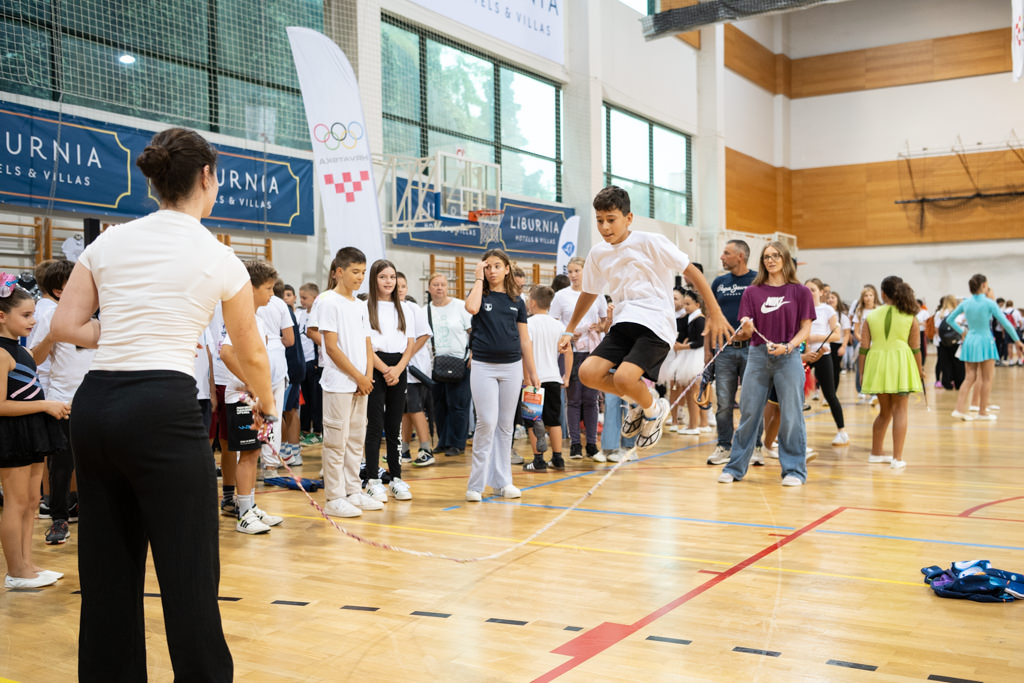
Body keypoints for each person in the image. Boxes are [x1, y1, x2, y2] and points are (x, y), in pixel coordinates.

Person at [51, 127, 276, 680]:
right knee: (188, 570)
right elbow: (250, 351)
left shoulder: (108, 242)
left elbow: (66, 325)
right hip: (162, 410)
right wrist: (267, 404)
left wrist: (125, 330)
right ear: (207, 177)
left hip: (96, 408)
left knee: (107, 570)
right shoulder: (218, 256)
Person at [560, 186, 730, 453]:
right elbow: (590, 292)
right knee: (588, 373)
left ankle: (653, 411)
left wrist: (715, 312)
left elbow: (692, 272)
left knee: (625, 378)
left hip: (655, 323)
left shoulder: (651, 241)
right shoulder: (598, 253)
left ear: (628, 218)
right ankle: (640, 401)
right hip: (624, 323)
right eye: (600, 220)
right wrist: (569, 329)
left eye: (611, 219)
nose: (605, 227)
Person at [717, 241, 814, 487]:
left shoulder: (800, 291)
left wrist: (789, 347)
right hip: (758, 356)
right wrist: (746, 327)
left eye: (776, 255)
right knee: (749, 413)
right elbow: (747, 331)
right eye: (766, 257)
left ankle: (794, 471)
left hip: (788, 356)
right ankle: (734, 468)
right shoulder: (752, 292)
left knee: (792, 415)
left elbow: (806, 328)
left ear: (785, 259)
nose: (771, 260)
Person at [1, 278, 69, 588]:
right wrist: (45, 405)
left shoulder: (20, 350)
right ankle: (15, 571)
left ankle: (27, 564)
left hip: (31, 429)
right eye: (26, 315)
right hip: (13, 432)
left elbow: (33, 366)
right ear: (2, 316)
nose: (33, 321)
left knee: (31, 501)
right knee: (15, 502)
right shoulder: (1, 354)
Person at [29, 260, 95, 545]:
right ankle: (58, 518)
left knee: (96, 462)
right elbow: (34, 359)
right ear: (59, 291)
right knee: (61, 465)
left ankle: (89, 509)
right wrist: (51, 337)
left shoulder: (96, 314)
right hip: (63, 400)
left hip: (96, 399)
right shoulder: (50, 315)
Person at [465, 249, 539, 501]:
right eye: (488, 267)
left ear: (507, 269)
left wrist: (532, 372)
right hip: (483, 366)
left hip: (512, 367)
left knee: (506, 426)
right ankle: (476, 485)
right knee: (486, 422)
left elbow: (525, 339)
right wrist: (478, 279)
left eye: (497, 266)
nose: (492, 271)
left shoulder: (517, 301)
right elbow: (471, 308)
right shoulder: (479, 293)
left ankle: (502, 481)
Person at [219, 261, 287, 534]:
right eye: (268, 288)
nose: (272, 294)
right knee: (247, 455)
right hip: (241, 399)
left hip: (255, 399)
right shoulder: (241, 318)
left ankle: (250, 505)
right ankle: (244, 514)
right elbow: (226, 353)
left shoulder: (257, 318)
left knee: (254, 453)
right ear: (251, 289)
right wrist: (250, 383)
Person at [317, 247, 382, 518]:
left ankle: (353, 490)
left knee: (356, 439)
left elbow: (367, 343)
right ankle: (334, 497)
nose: (360, 277)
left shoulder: (359, 305)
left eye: (363, 272)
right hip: (338, 383)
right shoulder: (327, 301)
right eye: (355, 272)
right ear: (339, 272)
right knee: (336, 441)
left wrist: (367, 376)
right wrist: (357, 376)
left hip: (360, 383)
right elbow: (331, 347)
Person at [362, 259, 416, 501]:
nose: (388, 281)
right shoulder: (365, 307)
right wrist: (385, 369)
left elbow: (410, 344)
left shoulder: (406, 308)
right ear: (374, 279)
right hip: (376, 366)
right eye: (383, 277)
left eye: (392, 277)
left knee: (395, 426)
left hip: (399, 367)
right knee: (375, 425)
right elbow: (366, 345)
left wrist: (398, 369)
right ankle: (373, 479)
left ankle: (396, 478)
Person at [859, 276, 925, 469]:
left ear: (882, 293)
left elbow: (863, 349)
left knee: (885, 412)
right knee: (900, 411)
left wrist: (862, 373)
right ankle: (897, 458)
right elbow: (916, 349)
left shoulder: (870, 316)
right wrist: (920, 371)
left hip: (877, 364)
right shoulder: (910, 317)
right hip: (901, 364)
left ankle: (876, 453)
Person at [706, 239, 760, 466]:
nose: (722, 257)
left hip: (752, 350)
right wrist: (708, 353)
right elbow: (710, 318)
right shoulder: (719, 283)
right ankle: (724, 446)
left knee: (753, 402)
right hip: (724, 351)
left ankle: (755, 447)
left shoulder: (758, 280)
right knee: (724, 403)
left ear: (740, 256)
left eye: (726, 253)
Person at [550, 255, 608, 460]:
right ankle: (575, 444)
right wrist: (567, 331)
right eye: (570, 272)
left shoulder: (597, 294)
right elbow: (553, 322)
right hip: (571, 351)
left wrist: (599, 327)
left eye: (577, 271)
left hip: (592, 351)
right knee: (573, 399)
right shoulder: (561, 296)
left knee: (591, 399)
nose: (573, 275)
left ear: (585, 272)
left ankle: (591, 444)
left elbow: (605, 323)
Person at [947, 274, 1023, 421]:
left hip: (970, 340)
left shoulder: (965, 303)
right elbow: (1006, 323)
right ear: (983, 285)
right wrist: (1017, 341)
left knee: (969, 378)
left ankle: (959, 409)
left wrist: (962, 331)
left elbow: (950, 320)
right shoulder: (989, 303)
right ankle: (982, 412)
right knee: (987, 379)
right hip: (985, 341)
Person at [523, 285, 572, 472]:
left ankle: (538, 461)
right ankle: (558, 459)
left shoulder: (528, 324)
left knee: (532, 420)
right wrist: (567, 376)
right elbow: (569, 352)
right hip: (553, 378)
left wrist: (526, 377)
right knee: (554, 421)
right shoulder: (559, 325)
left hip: (534, 379)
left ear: (533, 302)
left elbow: (525, 352)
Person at [426, 273, 473, 457]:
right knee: (439, 405)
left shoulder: (460, 306)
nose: (439, 288)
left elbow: (473, 331)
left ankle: (457, 443)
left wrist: (473, 353)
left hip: (460, 362)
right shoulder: (425, 310)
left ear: (447, 287)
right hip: (435, 364)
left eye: (443, 284)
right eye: (435, 284)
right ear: (429, 288)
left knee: (458, 404)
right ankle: (443, 442)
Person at [256, 275, 295, 478]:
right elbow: (289, 340)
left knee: (251, 413)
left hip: (256, 357)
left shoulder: (246, 300)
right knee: (274, 416)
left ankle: (246, 459)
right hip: (277, 358)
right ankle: (270, 465)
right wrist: (275, 339)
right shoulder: (280, 304)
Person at [397, 272, 435, 467]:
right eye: (397, 286)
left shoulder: (412, 308)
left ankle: (426, 449)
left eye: (403, 286)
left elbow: (425, 334)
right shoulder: (389, 309)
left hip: (414, 369)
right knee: (404, 411)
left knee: (415, 408)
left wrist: (407, 354)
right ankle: (403, 449)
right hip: (399, 368)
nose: (400, 289)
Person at [803, 279, 847, 446]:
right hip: (805, 355)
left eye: (813, 289)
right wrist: (806, 344)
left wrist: (814, 338)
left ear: (821, 292)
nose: (809, 293)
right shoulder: (801, 308)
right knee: (795, 394)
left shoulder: (827, 309)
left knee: (830, 394)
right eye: (806, 289)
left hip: (823, 354)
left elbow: (836, 335)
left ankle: (842, 432)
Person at [667, 289, 707, 436]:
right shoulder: (691, 318)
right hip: (690, 355)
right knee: (690, 392)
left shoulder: (699, 319)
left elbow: (700, 342)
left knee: (694, 392)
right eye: (684, 304)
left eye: (688, 304)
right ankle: (692, 424)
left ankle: (695, 425)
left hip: (696, 356)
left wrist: (682, 347)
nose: (685, 307)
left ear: (697, 304)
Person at [279, 282, 305, 466]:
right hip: (295, 365)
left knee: (281, 410)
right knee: (290, 410)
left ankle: (284, 452)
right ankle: (293, 452)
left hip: (289, 367)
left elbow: (288, 340)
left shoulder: (280, 309)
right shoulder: (286, 310)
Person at [296, 282, 323, 444]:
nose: (302, 301)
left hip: (314, 361)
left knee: (316, 398)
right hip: (303, 361)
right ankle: (305, 429)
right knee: (304, 398)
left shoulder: (319, 314)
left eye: (305, 298)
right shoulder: (300, 314)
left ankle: (318, 430)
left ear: (315, 297)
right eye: (300, 297)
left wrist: (317, 361)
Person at [851, 285, 879, 402]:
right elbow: (856, 331)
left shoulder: (878, 310)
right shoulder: (859, 311)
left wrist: (874, 342)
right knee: (860, 367)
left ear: (874, 297)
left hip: (875, 343)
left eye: (871, 295)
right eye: (866, 296)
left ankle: (874, 392)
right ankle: (861, 390)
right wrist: (864, 341)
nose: (868, 298)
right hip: (862, 343)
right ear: (862, 298)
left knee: (874, 368)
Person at [932, 294, 965, 390]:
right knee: (958, 363)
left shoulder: (939, 313)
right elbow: (958, 328)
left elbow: (936, 329)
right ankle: (958, 383)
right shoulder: (956, 313)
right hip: (956, 342)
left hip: (942, 342)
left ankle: (947, 383)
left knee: (945, 363)